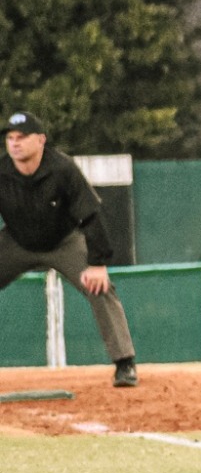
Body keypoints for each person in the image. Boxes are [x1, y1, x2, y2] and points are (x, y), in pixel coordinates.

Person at [0, 112, 140, 387]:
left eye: (22, 137)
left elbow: (91, 215)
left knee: (100, 287)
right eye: (10, 138)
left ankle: (125, 363)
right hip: (17, 241)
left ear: (41, 140)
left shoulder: (62, 168)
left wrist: (98, 264)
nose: (15, 144)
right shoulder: (1, 172)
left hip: (64, 241)